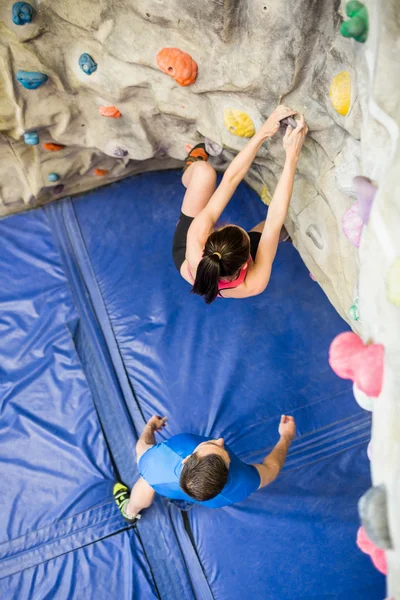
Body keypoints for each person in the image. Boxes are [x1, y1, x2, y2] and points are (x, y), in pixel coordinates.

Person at [171, 105, 308, 304]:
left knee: (203, 172)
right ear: (246, 264)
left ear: (210, 239)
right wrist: (292, 156)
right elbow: (274, 220)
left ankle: (191, 168)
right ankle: (285, 235)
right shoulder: (253, 283)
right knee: (278, 228)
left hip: (187, 254)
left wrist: (264, 132)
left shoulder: (196, 236)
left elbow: (230, 180)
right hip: (204, 265)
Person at [113, 414, 296, 521]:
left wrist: (150, 427)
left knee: (146, 483)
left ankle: (130, 511)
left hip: (162, 480)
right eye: (218, 446)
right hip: (209, 499)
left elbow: (142, 447)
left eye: (217, 446)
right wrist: (286, 437)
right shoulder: (240, 484)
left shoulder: (163, 458)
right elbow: (272, 468)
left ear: (186, 460)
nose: (220, 440)